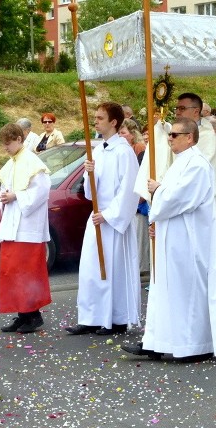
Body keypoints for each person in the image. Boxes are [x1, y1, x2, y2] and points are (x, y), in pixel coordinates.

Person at [122, 117, 216, 362]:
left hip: (189, 240)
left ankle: (194, 345)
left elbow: (180, 198)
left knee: (187, 291)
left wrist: (158, 190)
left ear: (189, 137)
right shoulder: (181, 162)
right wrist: (158, 221)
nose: (169, 139)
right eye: (170, 135)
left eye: (174, 135)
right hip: (173, 236)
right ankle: (157, 341)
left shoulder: (197, 164)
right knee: (166, 290)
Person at [65, 102, 141, 336]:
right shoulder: (97, 150)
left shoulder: (124, 151)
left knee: (112, 268)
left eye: (99, 118)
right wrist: (90, 173)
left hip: (112, 219)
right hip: (97, 217)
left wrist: (109, 215)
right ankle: (91, 317)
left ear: (114, 122)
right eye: (95, 117)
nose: (95, 121)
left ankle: (116, 318)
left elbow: (129, 190)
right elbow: (91, 192)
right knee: (91, 269)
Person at [0, 122, 52, 334]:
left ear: (19, 139)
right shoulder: (12, 163)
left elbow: (41, 192)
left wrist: (15, 196)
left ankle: (33, 314)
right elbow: (7, 189)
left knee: (27, 272)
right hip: (13, 225)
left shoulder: (32, 163)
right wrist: (6, 197)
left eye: (8, 143)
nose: (5, 147)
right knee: (13, 272)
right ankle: (22, 313)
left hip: (28, 228)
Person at [119, 118, 149, 276]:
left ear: (132, 134)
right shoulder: (126, 149)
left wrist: (139, 198)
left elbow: (142, 175)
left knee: (139, 236)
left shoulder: (139, 148)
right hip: (129, 199)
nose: (120, 136)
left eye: (123, 133)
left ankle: (140, 267)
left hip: (138, 200)